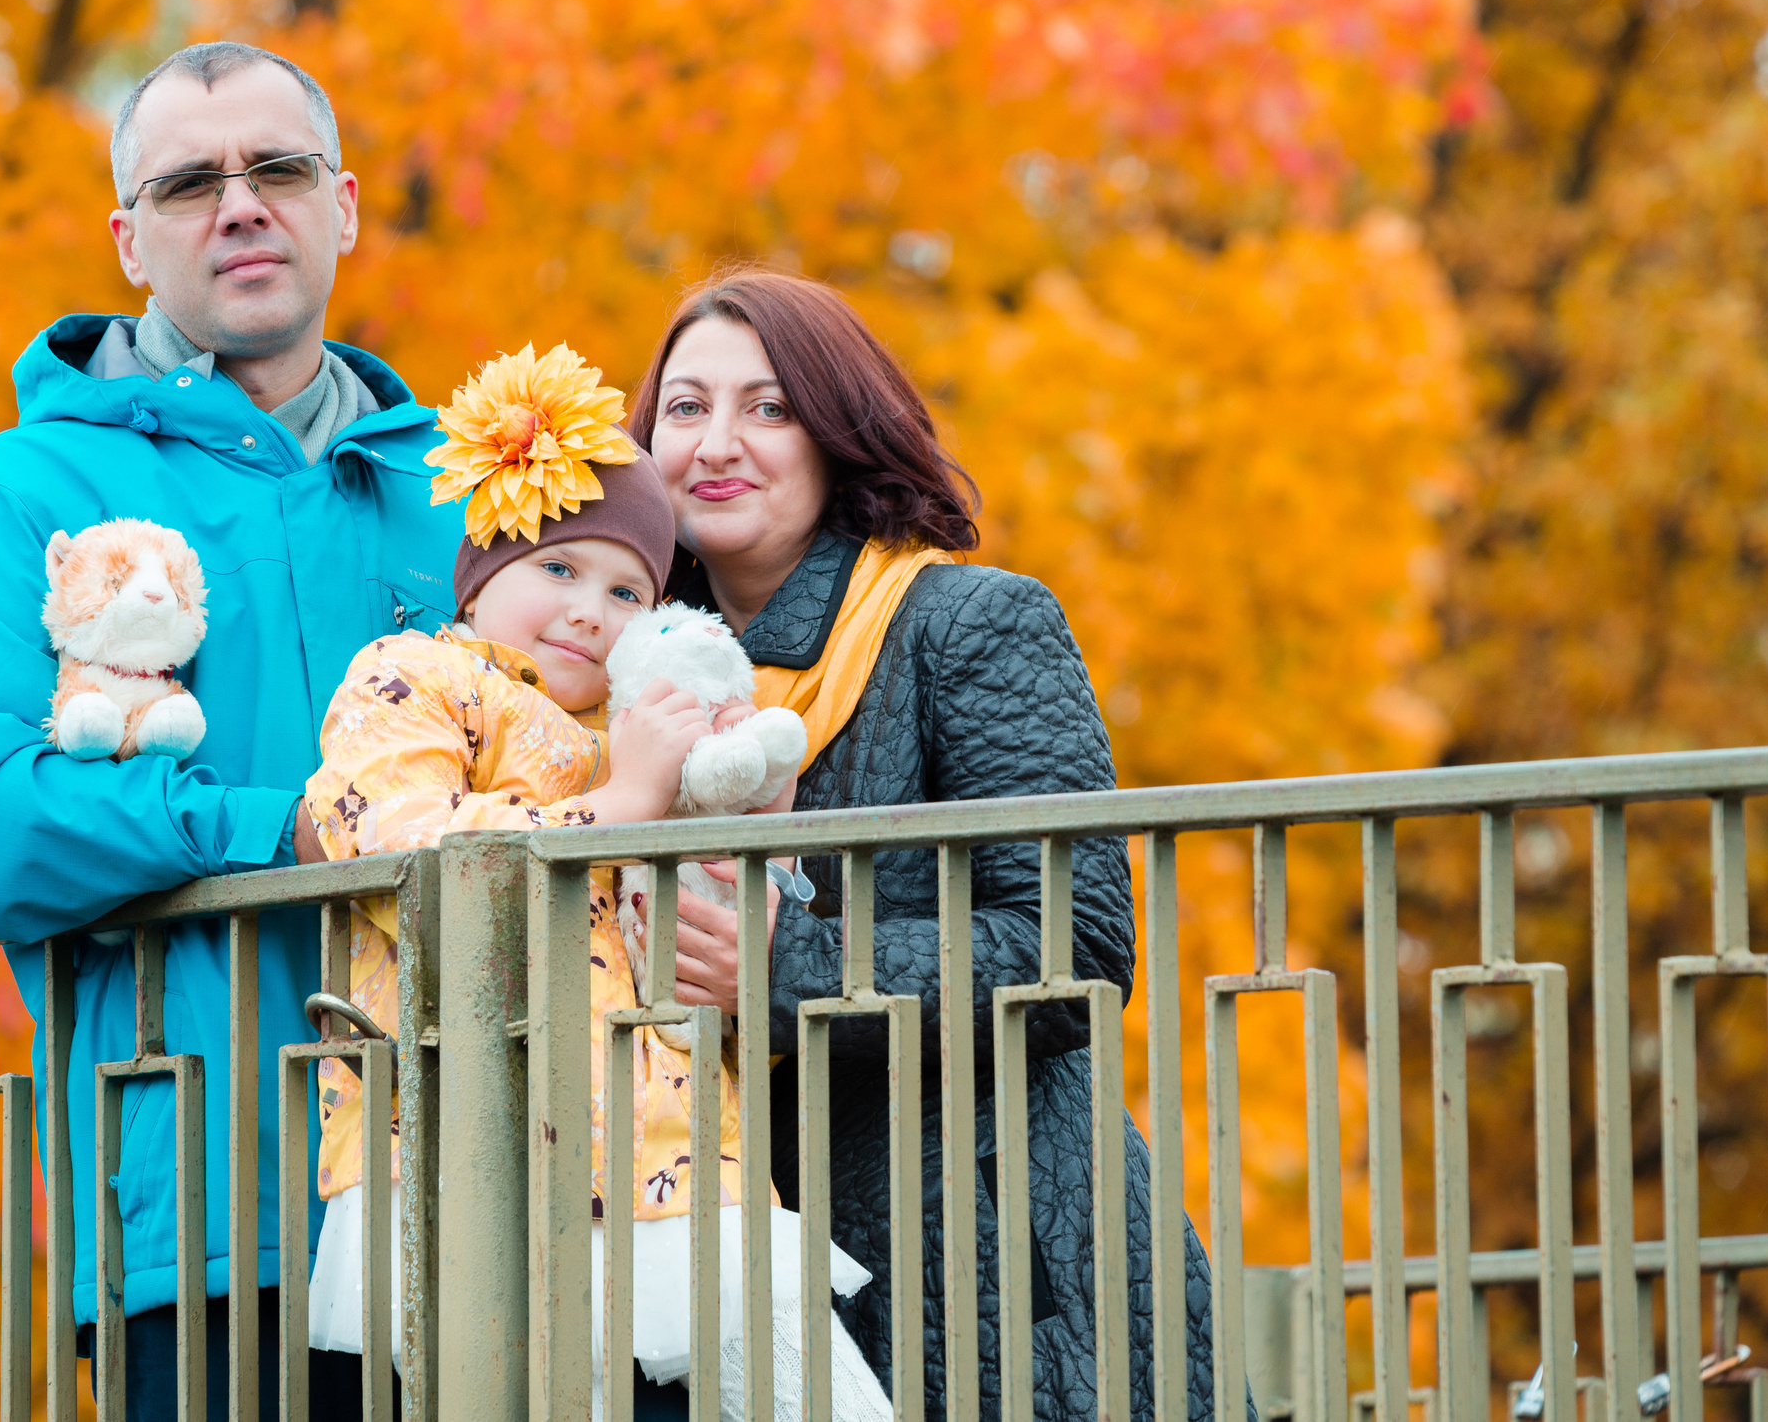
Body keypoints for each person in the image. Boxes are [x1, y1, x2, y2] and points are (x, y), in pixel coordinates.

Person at [0, 41, 465, 1420]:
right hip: (210, 1198)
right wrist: (275, 829)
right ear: (129, 241)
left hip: (503, 1168)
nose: (241, 204)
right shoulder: (10, 497)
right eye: (190, 183)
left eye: (278, 169)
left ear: (344, 207)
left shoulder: (475, 493)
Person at [628, 265, 1228, 1422]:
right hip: (719, 1248)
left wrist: (787, 964)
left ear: (838, 433)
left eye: (768, 406)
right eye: (685, 407)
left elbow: (1074, 944)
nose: (717, 442)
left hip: (992, 1256)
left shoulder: (967, 622)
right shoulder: (618, 679)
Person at [295, 346, 893, 1422]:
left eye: (627, 591)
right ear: (482, 574)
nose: (589, 611)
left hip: (675, 1154)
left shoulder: (630, 729)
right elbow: (396, 846)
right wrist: (617, 806)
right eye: (558, 569)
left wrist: (745, 814)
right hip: (480, 1153)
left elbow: (699, 914)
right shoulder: (414, 675)